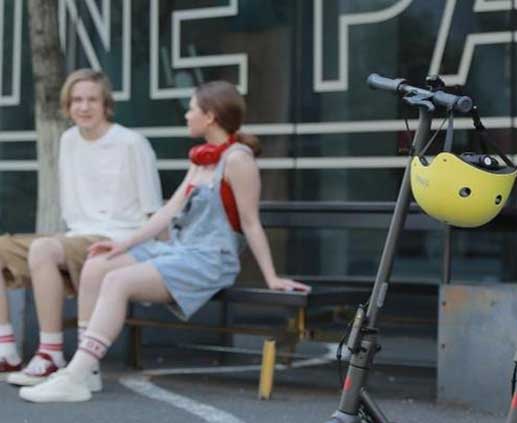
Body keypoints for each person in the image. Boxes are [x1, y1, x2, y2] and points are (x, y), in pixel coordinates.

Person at [20, 80, 310, 403]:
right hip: (178, 250)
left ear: (210, 116)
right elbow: (167, 211)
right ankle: (88, 372)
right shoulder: (202, 159)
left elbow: (251, 223)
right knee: (99, 264)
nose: (187, 116)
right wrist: (123, 244)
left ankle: (73, 377)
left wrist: (271, 277)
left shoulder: (237, 160)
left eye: (192, 109)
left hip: (209, 259)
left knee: (117, 281)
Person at [1, 69, 162, 388]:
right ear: (67, 105)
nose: (84, 107)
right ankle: (6, 350)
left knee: (43, 248)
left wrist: (158, 259)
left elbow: (154, 210)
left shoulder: (131, 143)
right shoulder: (68, 140)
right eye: (76, 100)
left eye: (92, 99)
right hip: (76, 237)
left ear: (106, 105)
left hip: (116, 238)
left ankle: (50, 354)